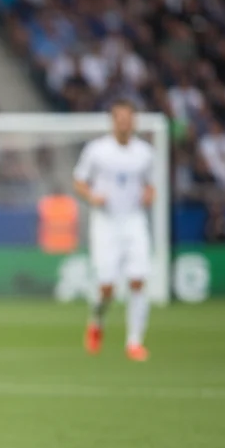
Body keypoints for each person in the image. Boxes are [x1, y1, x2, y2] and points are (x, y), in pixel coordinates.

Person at [73, 99, 155, 361]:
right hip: (105, 222)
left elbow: (151, 185)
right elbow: (79, 181)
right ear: (113, 121)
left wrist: (149, 196)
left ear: (134, 121)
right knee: (106, 285)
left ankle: (134, 342)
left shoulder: (144, 153)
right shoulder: (97, 150)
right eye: (119, 118)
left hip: (134, 220)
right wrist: (92, 197)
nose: (124, 122)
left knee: (138, 280)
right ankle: (96, 321)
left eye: (128, 118)